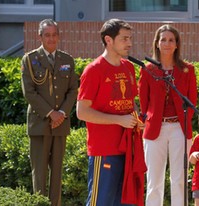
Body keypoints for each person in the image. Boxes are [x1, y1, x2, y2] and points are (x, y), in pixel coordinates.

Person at [77, 19, 145, 206]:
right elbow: (82, 112)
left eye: (130, 38)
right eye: (124, 39)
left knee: (125, 202)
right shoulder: (93, 70)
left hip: (127, 148)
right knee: (101, 202)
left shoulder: (129, 67)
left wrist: (137, 119)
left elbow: (131, 103)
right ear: (108, 40)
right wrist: (119, 120)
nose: (129, 43)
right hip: (104, 149)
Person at [21, 18, 78, 206]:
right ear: (40, 37)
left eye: (54, 35)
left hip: (60, 124)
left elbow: (72, 91)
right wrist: (51, 114)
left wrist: (61, 113)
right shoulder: (30, 59)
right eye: (47, 35)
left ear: (58, 36)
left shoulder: (67, 60)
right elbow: (29, 92)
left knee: (57, 173)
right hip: (39, 123)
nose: (51, 39)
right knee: (39, 173)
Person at [139, 24, 198, 206]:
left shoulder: (187, 69)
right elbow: (143, 103)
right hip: (155, 129)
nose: (167, 43)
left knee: (179, 179)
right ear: (157, 43)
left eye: (171, 40)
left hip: (179, 128)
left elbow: (192, 100)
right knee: (154, 180)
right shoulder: (148, 69)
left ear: (177, 45)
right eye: (163, 39)